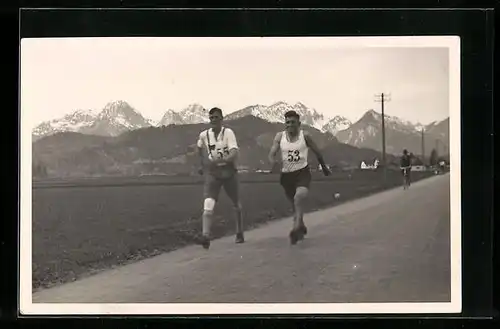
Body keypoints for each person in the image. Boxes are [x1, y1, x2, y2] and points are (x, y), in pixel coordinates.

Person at [268, 110, 331, 245]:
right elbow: (272, 153)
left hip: (302, 173)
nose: (290, 125)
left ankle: (296, 228)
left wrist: (324, 167)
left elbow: (317, 152)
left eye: (293, 122)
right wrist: (273, 162)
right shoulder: (280, 136)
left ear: (299, 124)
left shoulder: (305, 136)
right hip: (286, 176)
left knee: (299, 197)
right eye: (287, 122)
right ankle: (301, 225)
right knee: (295, 204)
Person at [196, 107, 244, 249]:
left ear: (221, 119)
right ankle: (205, 235)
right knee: (208, 203)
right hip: (214, 173)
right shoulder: (205, 135)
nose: (214, 120)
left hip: (229, 172)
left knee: (236, 203)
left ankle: (239, 231)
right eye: (211, 118)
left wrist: (225, 161)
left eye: (216, 117)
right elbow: (199, 146)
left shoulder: (228, 133)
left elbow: (234, 151)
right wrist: (202, 163)